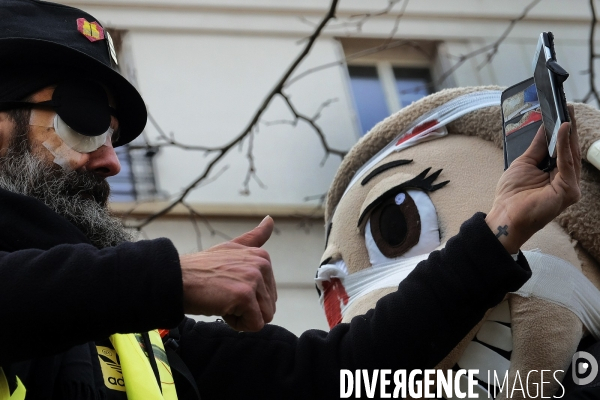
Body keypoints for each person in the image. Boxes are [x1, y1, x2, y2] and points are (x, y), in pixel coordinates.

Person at [0, 1, 582, 399]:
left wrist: (499, 229)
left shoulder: (145, 336)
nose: (111, 160)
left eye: (114, 134)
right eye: (83, 123)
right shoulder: (113, 292)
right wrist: (165, 276)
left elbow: (336, 374)